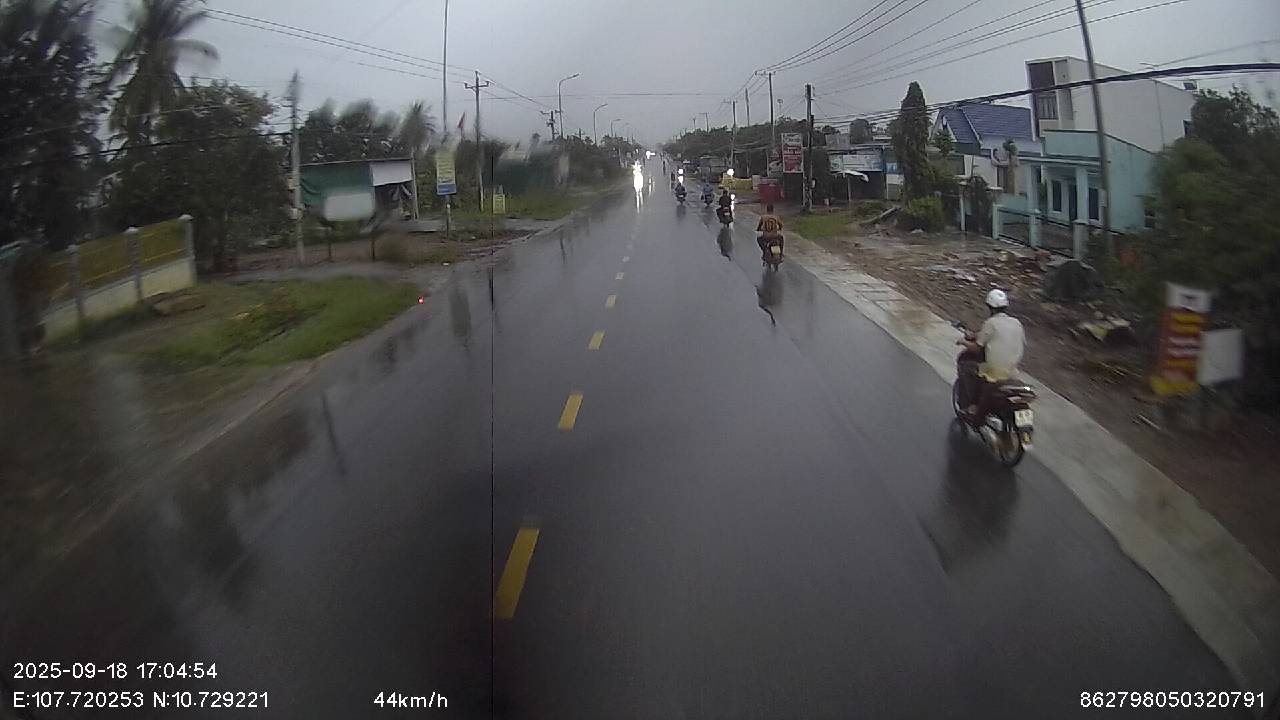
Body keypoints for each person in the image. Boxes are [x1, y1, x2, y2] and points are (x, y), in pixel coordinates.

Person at [956, 289, 1026, 422]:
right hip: (1013, 371)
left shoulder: (991, 323)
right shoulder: (1017, 323)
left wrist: (963, 341)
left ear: (990, 307)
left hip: (995, 372)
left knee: (967, 367)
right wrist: (975, 334)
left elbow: (977, 349)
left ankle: (973, 406)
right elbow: (999, 336)